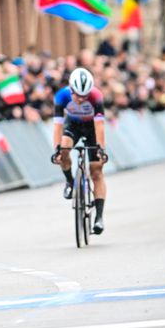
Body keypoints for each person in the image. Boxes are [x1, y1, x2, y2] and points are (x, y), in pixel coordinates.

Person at [52, 68, 108, 234]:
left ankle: (98, 217)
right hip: (73, 125)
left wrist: (101, 149)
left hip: (91, 129)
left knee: (96, 171)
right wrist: (56, 149)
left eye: (85, 95)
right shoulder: (61, 96)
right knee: (64, 148)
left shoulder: (96, 96)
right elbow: (58, 125)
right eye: (78, 95)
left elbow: (100, 126)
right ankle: (70, 181)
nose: (81, 99)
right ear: (71, 89)